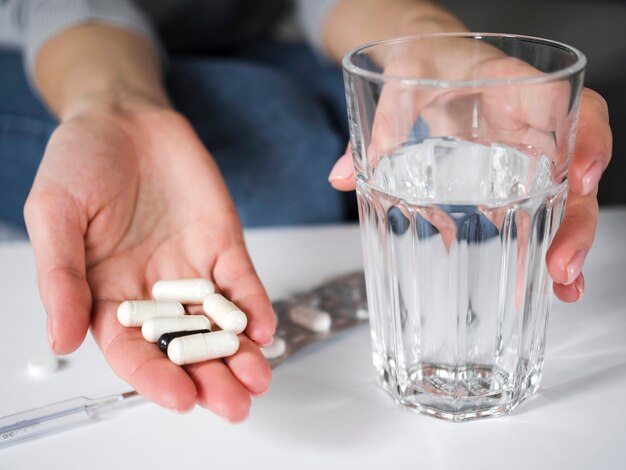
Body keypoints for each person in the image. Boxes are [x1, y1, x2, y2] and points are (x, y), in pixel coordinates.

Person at [0, 0, 612, 422]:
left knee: (425, 132)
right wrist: (114, 103)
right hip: (69, 49)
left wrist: (433, 46)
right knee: (293, 153)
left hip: (263, 40)